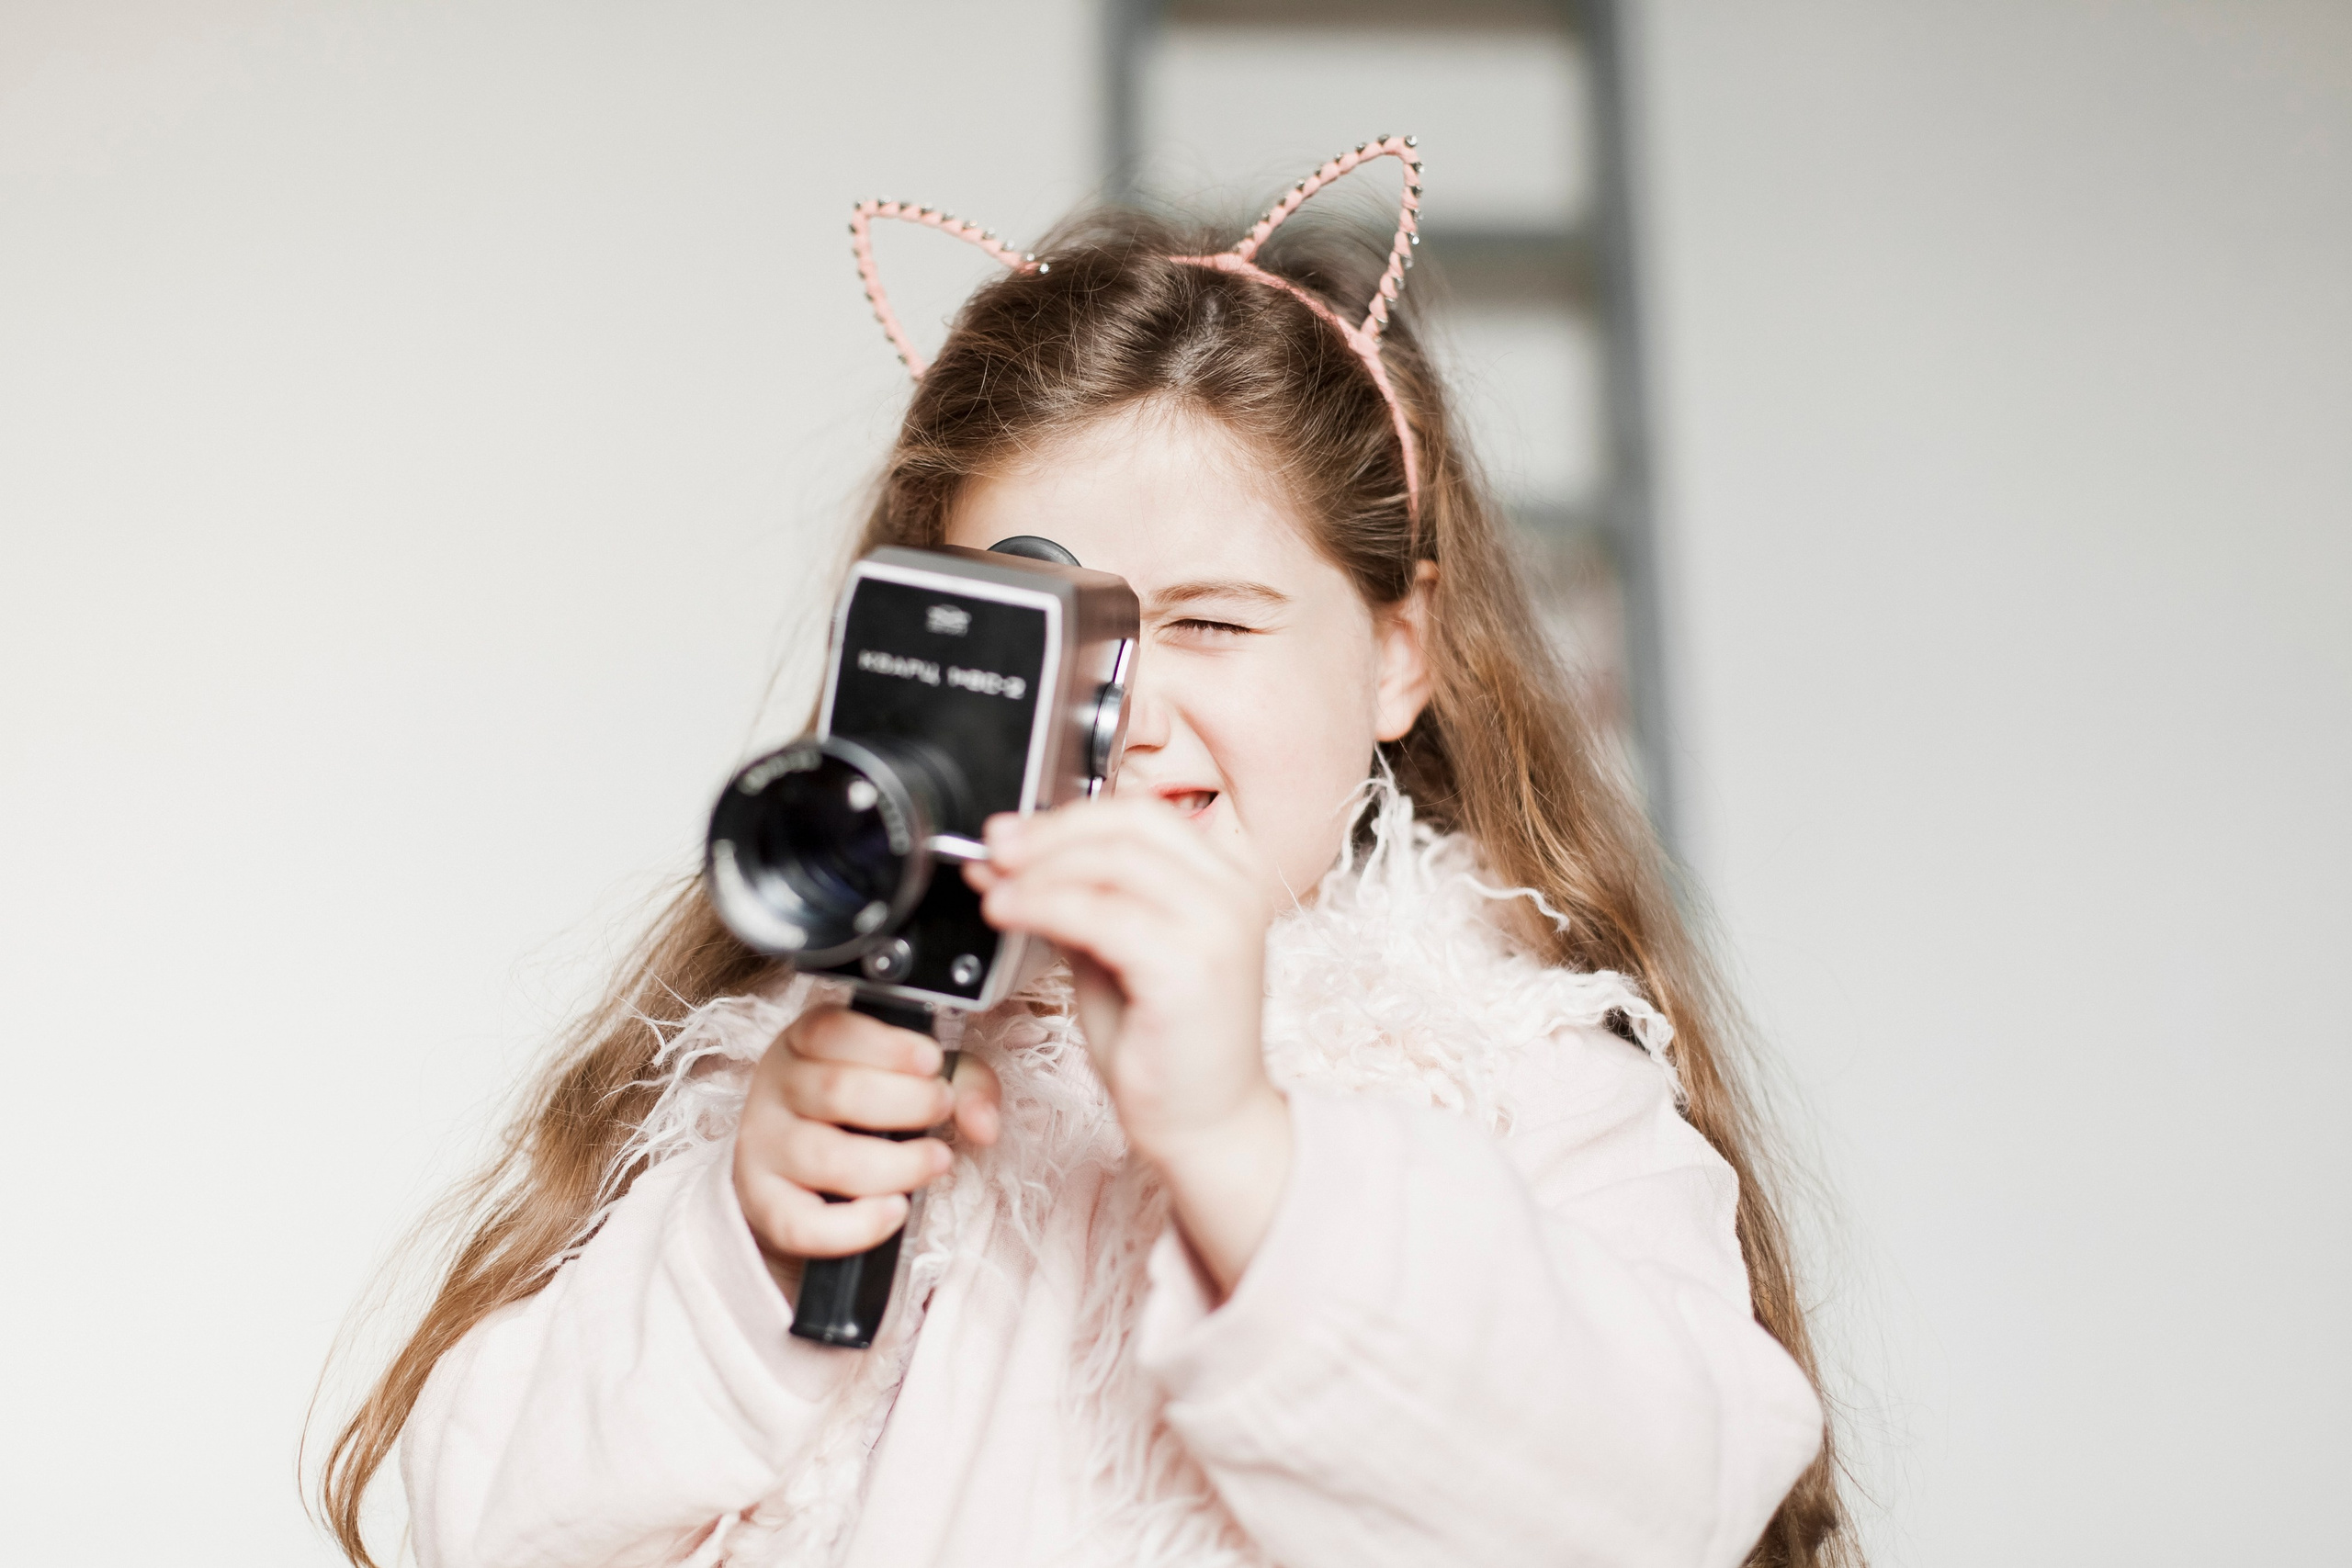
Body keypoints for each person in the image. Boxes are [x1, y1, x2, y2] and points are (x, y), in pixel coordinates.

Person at [314, 138, 1850, 1568]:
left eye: (1210, 624)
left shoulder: (1523, 1074)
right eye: (1037, 638)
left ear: (1400, 652)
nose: (1119, 719)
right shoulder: (801, 1077)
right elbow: (478, 1523)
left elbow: (1658, 1504)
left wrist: (1250, 1152)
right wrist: (746, 1255)